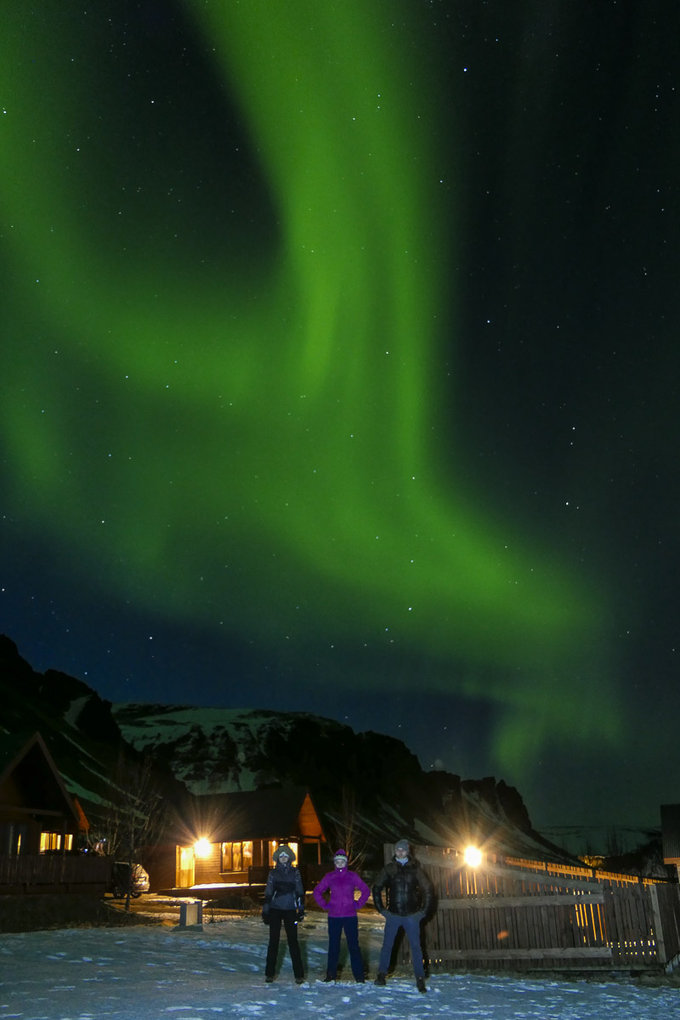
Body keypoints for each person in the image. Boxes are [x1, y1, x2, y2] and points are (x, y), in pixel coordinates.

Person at [372, 838, 433, 993]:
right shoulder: (389, 869)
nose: (400, 852)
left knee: (416, 947)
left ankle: (420, 978)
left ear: (407, 851)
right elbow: (377, 887)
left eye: (403, 850)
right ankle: (381, 975)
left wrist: (423, 912)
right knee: (387, 946)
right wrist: (382, 910)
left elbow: (428, 889)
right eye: (398, 850)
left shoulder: (415, 869)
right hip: (394, 914)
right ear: (395, 851)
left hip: (412, 916)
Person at [312, 848, 371, 982]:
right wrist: (325, 905)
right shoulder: (330, 877)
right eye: (337, 861)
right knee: (334, 946)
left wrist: (358, 904)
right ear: (334, 862)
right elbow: (317, 891)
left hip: (350, 916)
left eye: (342, 861)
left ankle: (359, 977)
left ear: (346, 863)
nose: (339, 863)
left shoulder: (352, 876)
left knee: (354, 946)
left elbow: (365, 890)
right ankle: (331, 975)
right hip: (334, 917)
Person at [262, 843, 305, 984]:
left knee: (293, 941)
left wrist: (301, 909)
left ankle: (299, 975)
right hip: (275, 909)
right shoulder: (273, 873)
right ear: (277, 858)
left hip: (290, 910)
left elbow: (299, 891)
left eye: (286, 855)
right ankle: (269, 974)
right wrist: (266, 911)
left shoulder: (295, 872)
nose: (284, 858)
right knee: (273, 941)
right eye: (281, 856)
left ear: (290, 857)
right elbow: (268, 892)